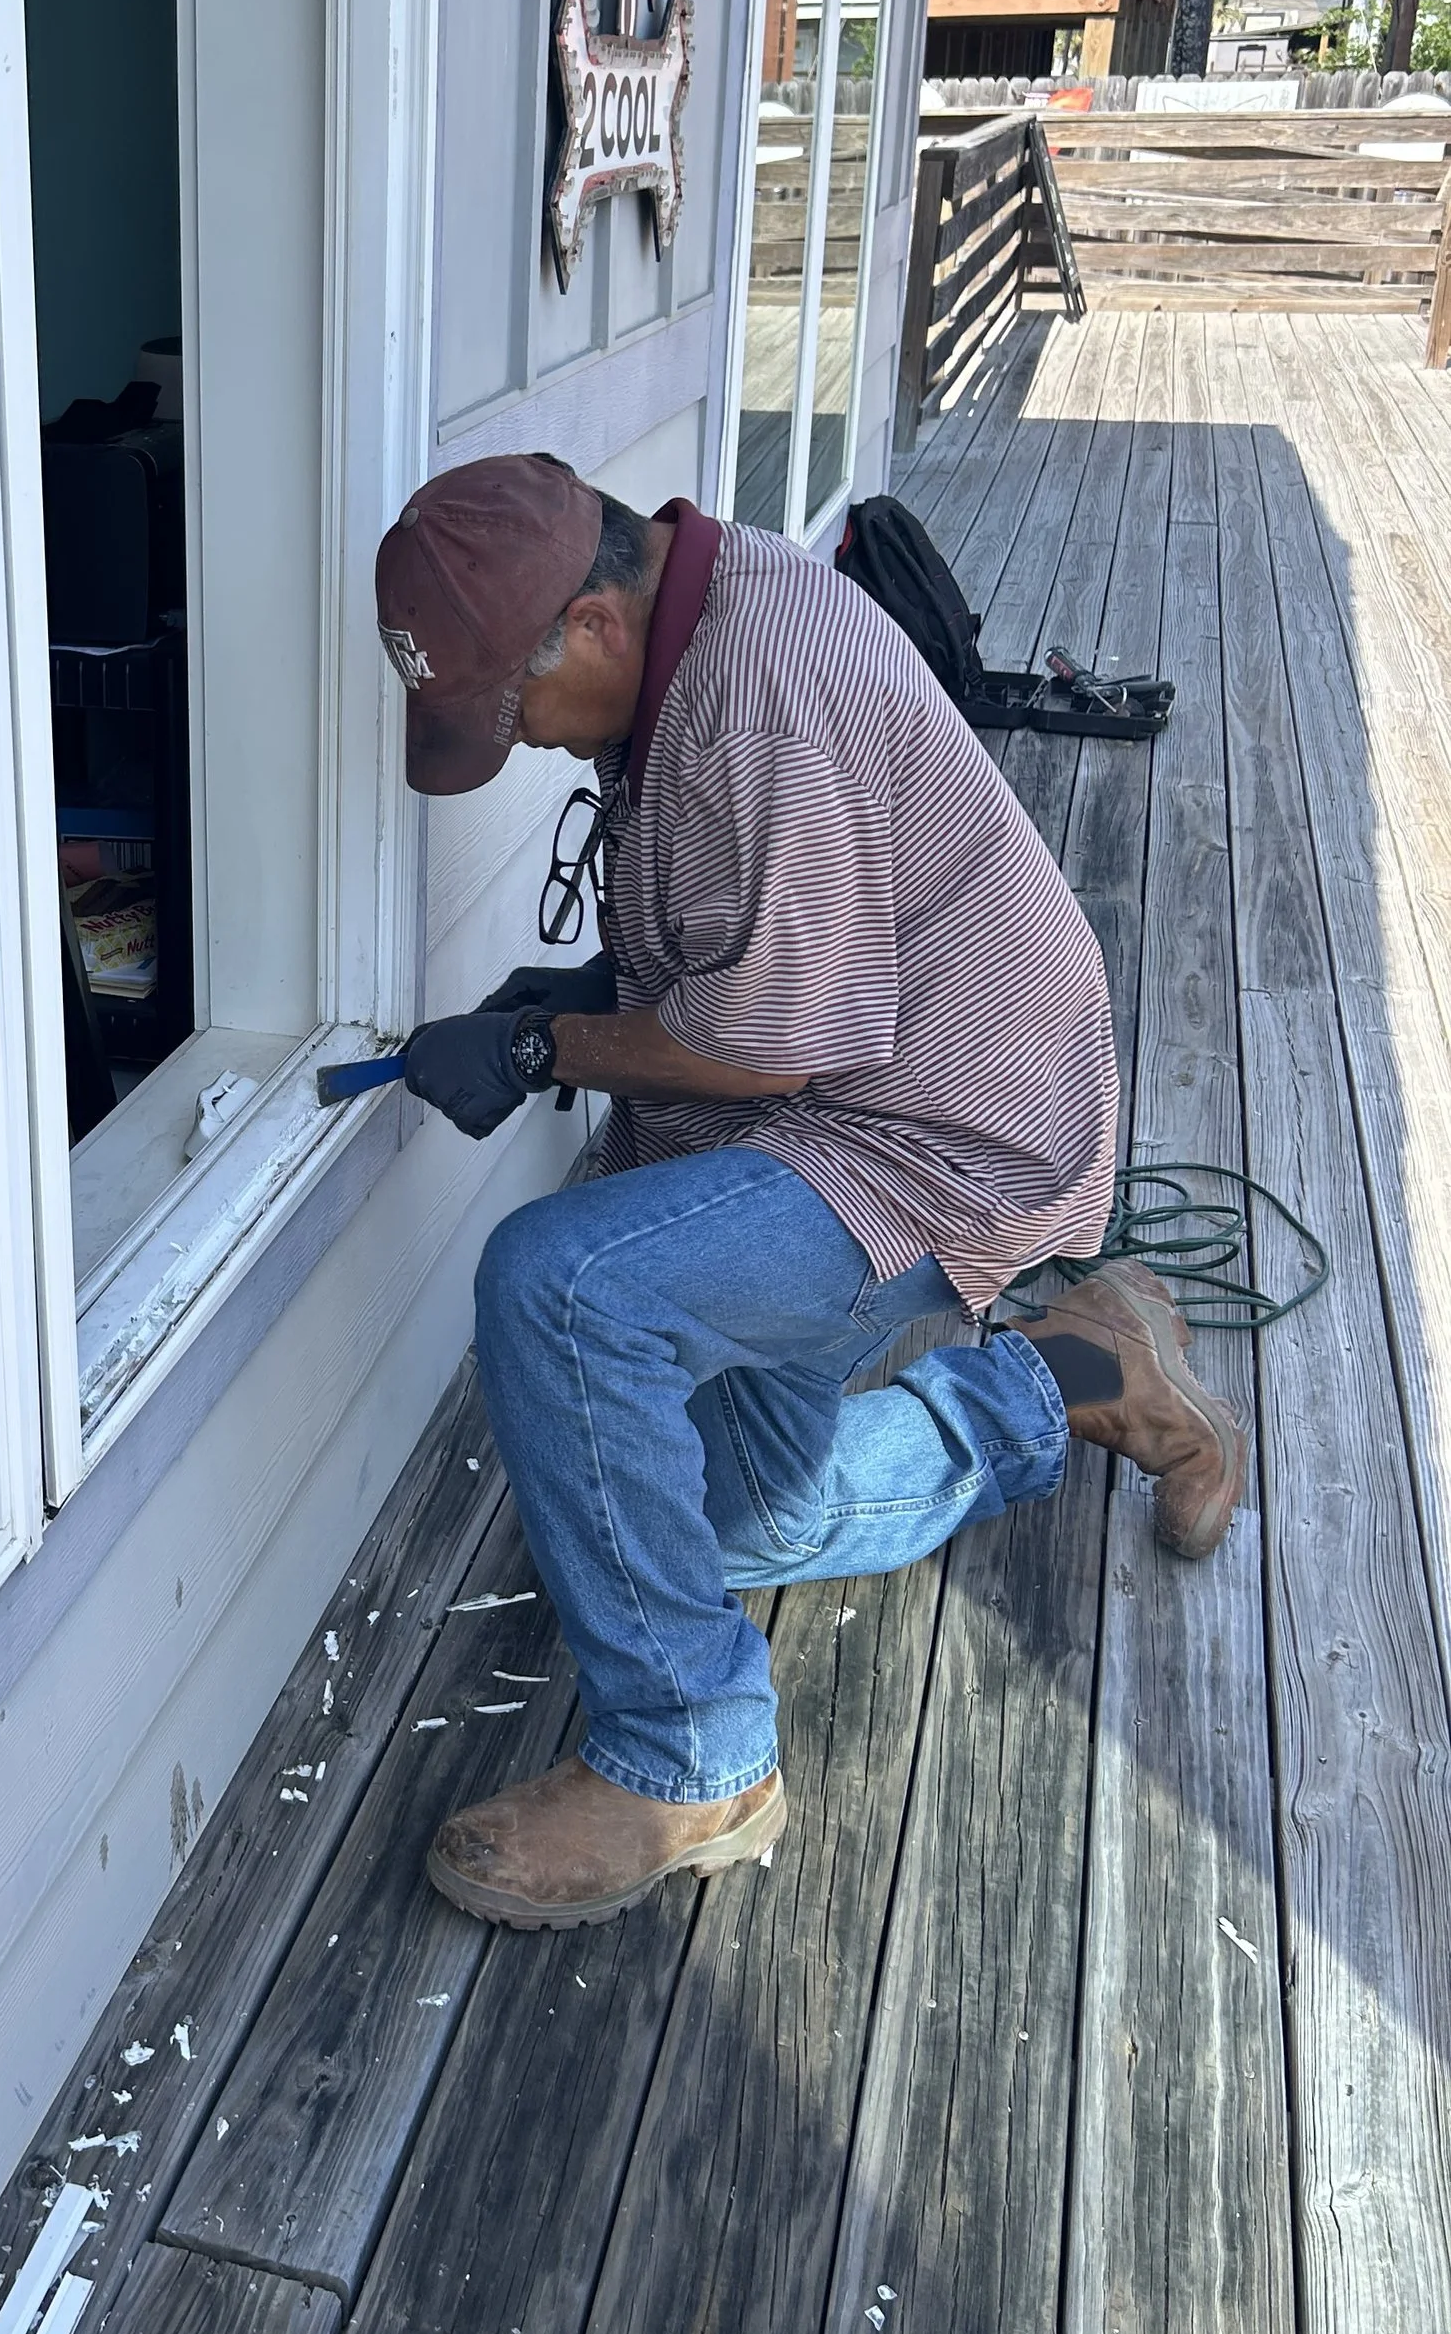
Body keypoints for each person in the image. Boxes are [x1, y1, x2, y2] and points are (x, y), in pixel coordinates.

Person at [376, 455, 1242, 1931]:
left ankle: (690, 1761)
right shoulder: (690, 634)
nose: (517, 744)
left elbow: (780, 1040)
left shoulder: (758, 696)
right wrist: (590, 989)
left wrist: (539, 1040)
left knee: (560, 1285)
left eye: (511, 707)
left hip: (943, 1131)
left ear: (588, 626)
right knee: (734, 1516)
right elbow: (768, 955)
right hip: (851, 1087)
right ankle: (1081, 1370)